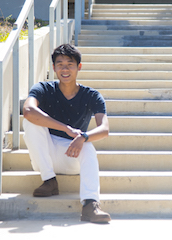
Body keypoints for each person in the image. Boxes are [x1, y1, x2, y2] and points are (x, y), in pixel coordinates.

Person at [22, 44, 111, 223]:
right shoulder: (44, 88)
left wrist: (83, 137)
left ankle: (90, 205)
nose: (64, 69)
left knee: (88, 147)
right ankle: (49, 181)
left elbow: (104, 129)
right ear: (53, 68)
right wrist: (66, 128)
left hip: (72, 155)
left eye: (69, 64)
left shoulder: (91, 95)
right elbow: (28, 109)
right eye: (60, 64)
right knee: (30, 122)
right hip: (44, 156)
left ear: (79, 67)